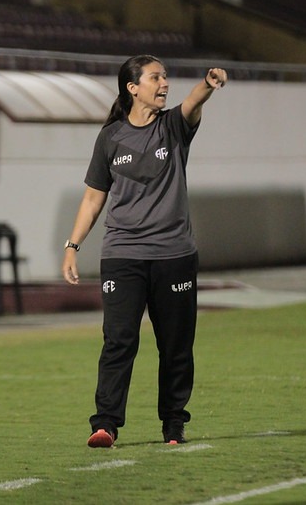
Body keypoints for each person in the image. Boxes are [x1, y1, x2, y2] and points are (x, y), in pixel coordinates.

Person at [62, 55, 227, 448]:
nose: (164, 83)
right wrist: (72, 246)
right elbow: (92, 199)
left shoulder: (173, 127)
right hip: (122, 255)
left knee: (175, 345)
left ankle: (173, 424)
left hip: (174, 255)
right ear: (133, 88)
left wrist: (208, 82)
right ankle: (105, 424)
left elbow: (193, 102)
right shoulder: (110, 137)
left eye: (166, 76)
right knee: (119, 339)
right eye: (155, 77)